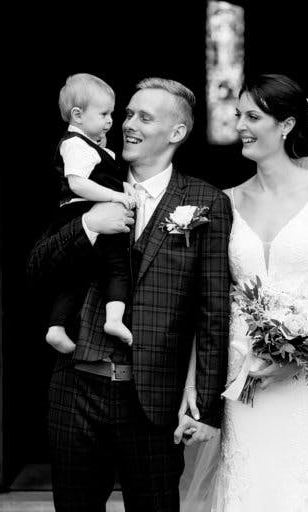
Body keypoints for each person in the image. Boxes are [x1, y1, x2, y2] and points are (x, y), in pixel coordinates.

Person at [27, 77, 232, 512]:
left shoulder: (205, 200)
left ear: (176, 132)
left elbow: (213, 309)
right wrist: (88, 227)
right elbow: (36, 267)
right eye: (127, 114)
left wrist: (207, 409)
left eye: (144, 116)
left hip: (154, 402)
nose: (127, 124)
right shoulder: (86, 177)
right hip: (77, 390)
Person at [178, 74, 308, 511]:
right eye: (239, 114)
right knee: (248, 482)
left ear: (285, 125)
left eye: (252, 116)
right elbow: (211, 304)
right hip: (242, 373)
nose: (241, 125)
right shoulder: (226, 202)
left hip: (307, 379)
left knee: (301, 484)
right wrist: (193, 380)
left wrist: (296, 356)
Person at [46, 73, 136, 353]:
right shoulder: (74, 144)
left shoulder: (91, 145)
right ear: (78, 114)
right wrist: (116, 196)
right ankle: (113, 319)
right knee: (117, 265)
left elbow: (102, 175)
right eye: (104, 113)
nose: (111, 120)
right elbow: (78, 182)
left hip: (84, 211)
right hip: (83, 212)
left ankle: (57, 327)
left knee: (77, 273)